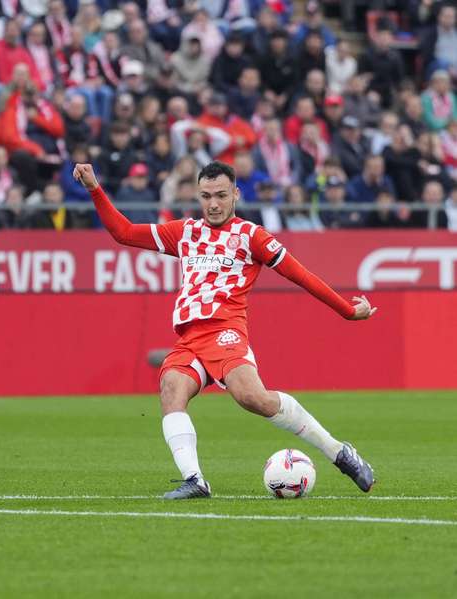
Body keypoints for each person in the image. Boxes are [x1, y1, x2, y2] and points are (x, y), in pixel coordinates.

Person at [74, 160, 376, 499]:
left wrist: (348, 310)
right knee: (171, 389)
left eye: (220, 195)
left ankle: (338, 452)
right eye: (205, 196)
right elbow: (124, 233)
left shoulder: (252, 236)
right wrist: (94, 190)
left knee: (253, 398)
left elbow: (301, 275)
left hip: (225, 331)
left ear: (236, 194)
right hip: (189, 338)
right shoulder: (184, 232)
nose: (213, 204)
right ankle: (195, 480)